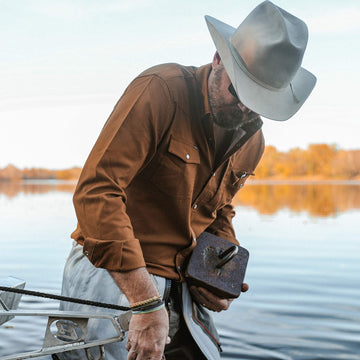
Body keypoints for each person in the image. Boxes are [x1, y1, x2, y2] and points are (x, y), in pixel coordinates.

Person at [57, 1, 316, 360]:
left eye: (259, 102)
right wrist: (145, 302)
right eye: (238, 92)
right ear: (217, 59)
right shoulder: (159, 90)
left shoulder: (253, 141)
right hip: (115, 274)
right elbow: (96, 193)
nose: (244, 110)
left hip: (183, 289)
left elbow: (219, 210)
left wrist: (217, 273)